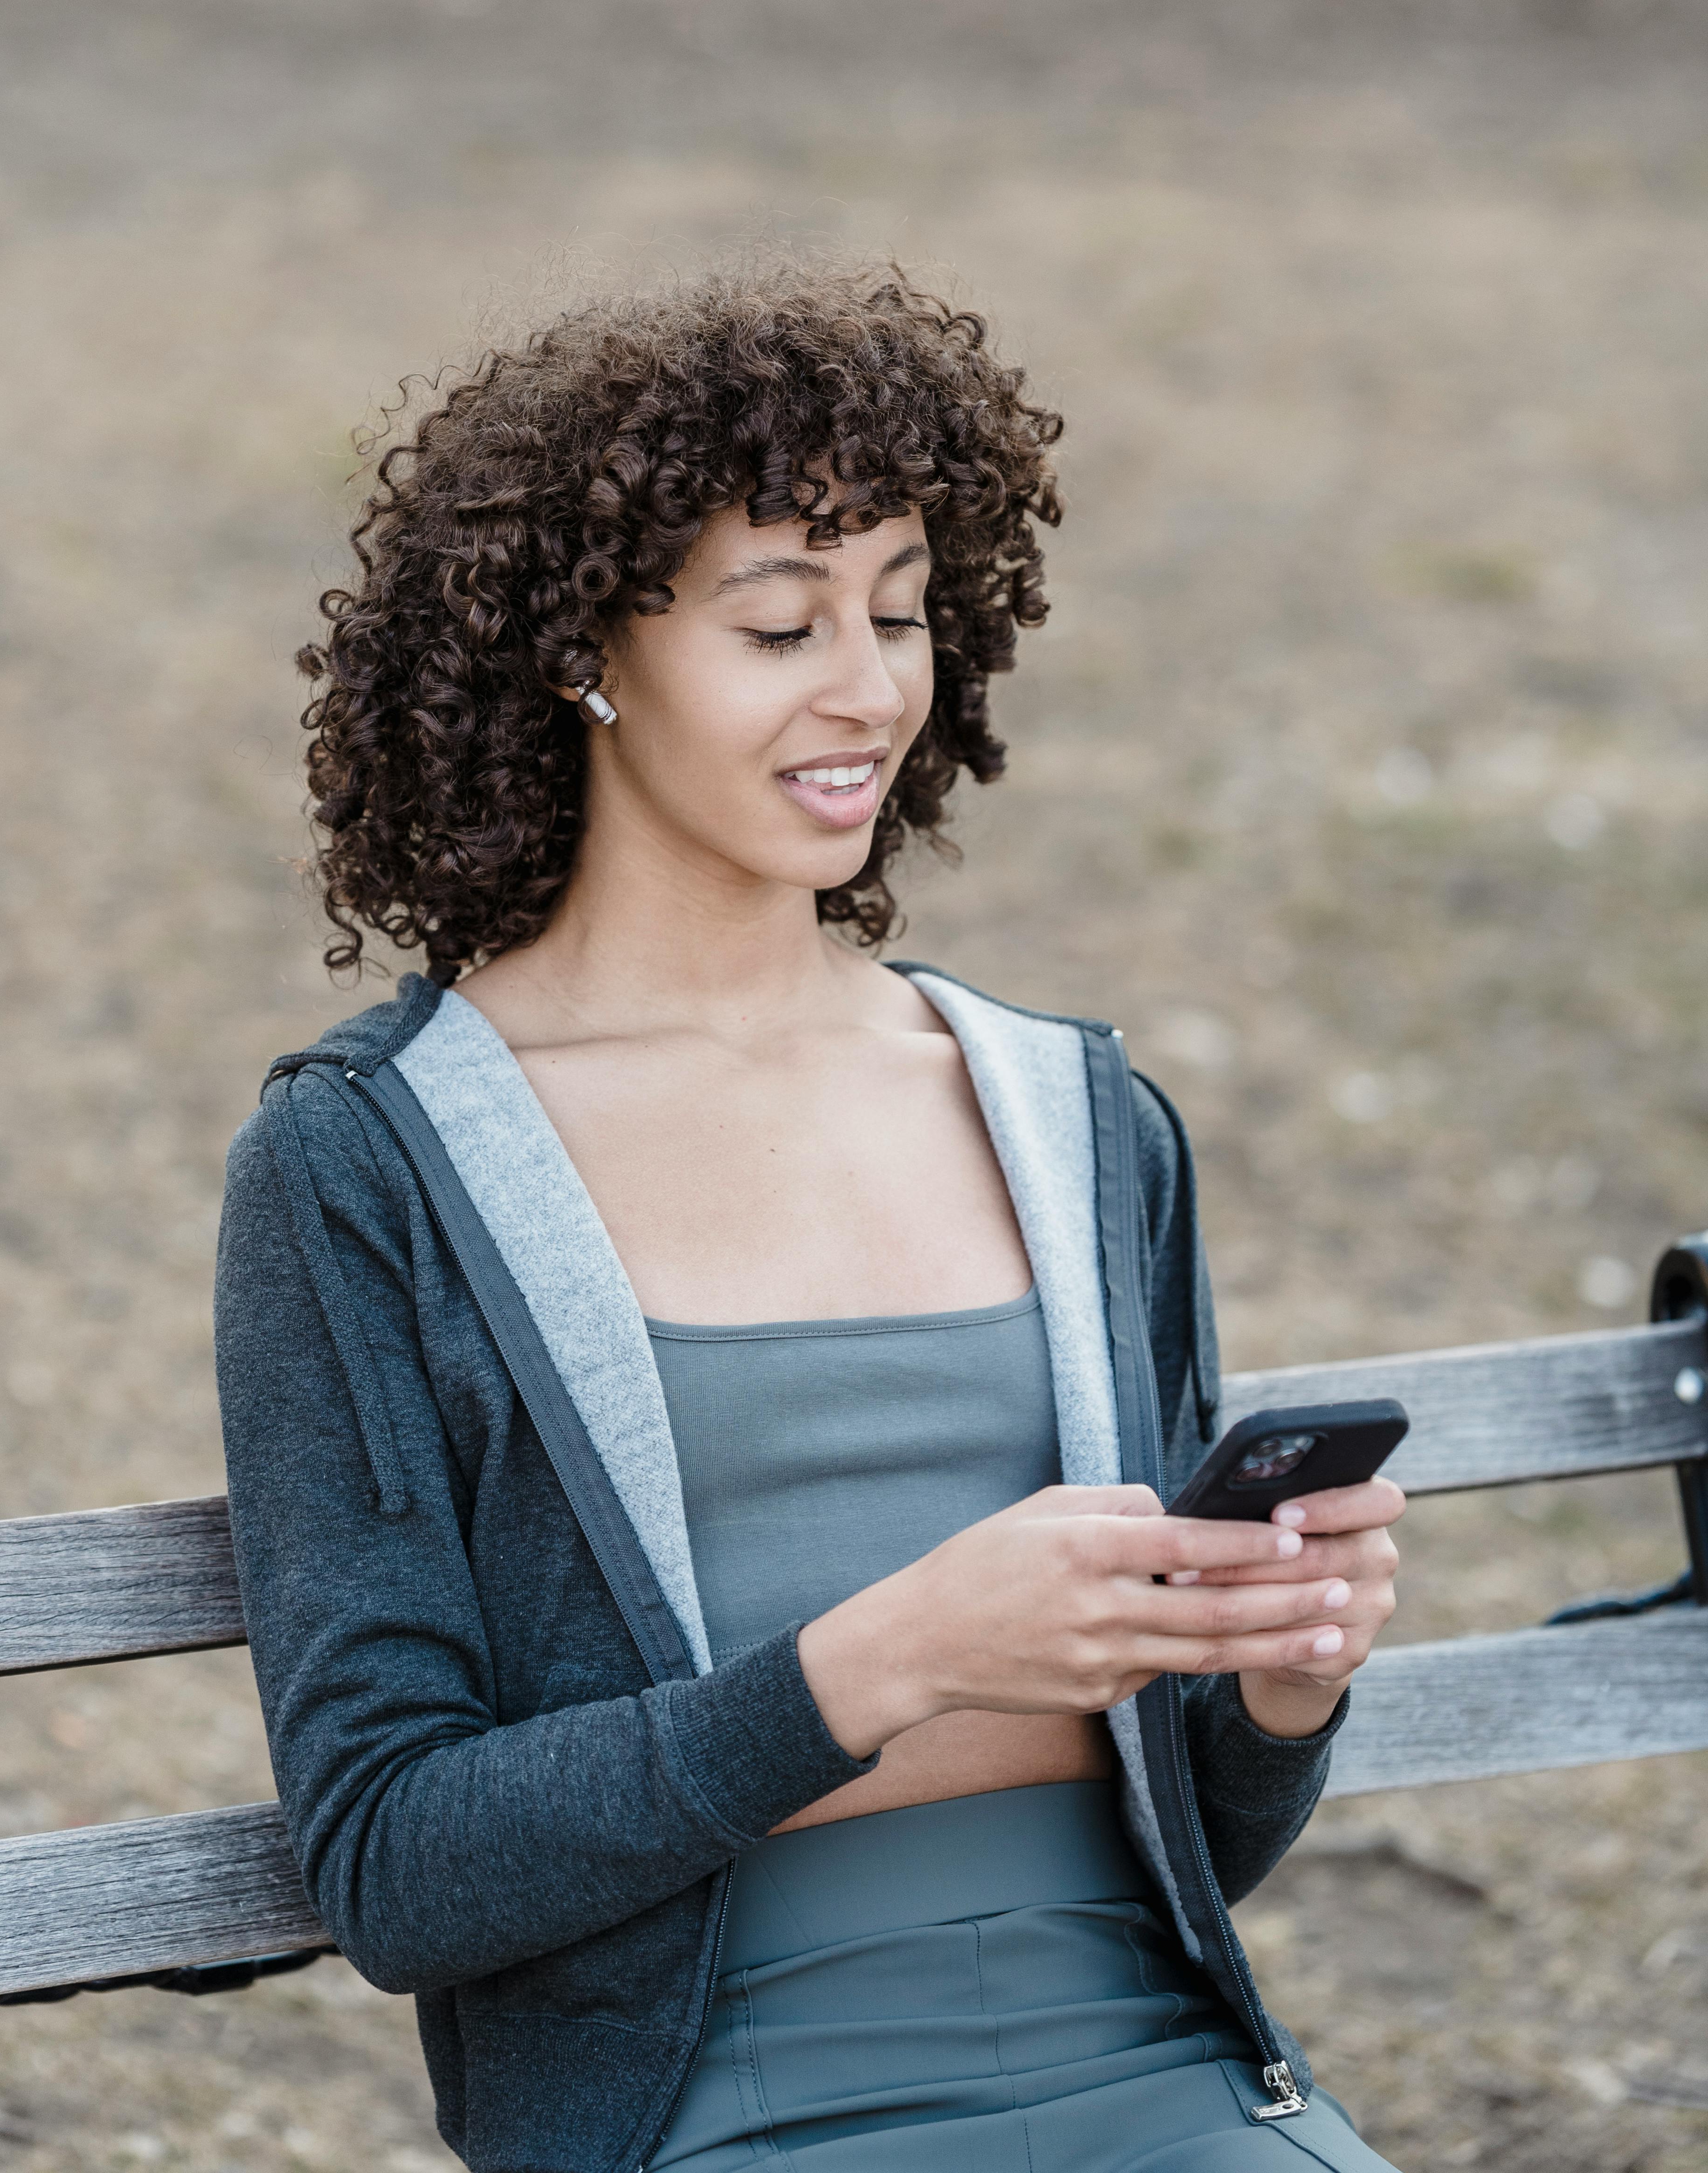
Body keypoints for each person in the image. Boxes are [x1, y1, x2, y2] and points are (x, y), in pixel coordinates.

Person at [215, 260, 1406, 2173]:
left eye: (905, 613)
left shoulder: (1068, 1116)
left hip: (1166, 2083)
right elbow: (394, 1866)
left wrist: (1278, 1685)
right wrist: (883, 1660)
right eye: (780, 626)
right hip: (714, 2117)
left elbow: (1201, 1840)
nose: (869, 689)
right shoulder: (379, 1164)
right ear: (579, 651)